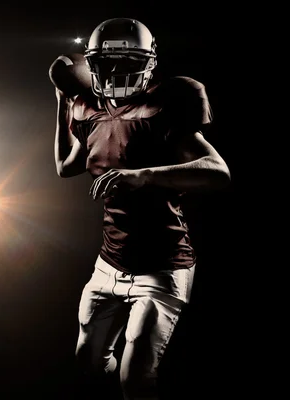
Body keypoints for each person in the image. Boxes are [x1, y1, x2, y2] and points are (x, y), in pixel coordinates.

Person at [53, 18, 230, 400]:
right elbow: (66, 167)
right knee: (88, 362)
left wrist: (143, 175)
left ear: (149, 63)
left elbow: (219, 171)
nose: (117, 73)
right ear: (92, 64)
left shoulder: (165, 104)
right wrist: (61, 103)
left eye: (128, 63)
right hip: (110, 262)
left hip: (163, 266)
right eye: (108, 63)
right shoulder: (89, 108)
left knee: (134, 379)